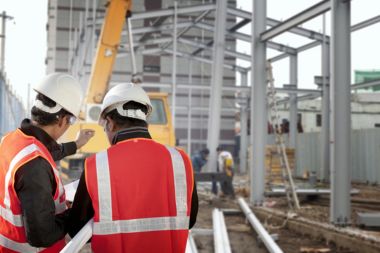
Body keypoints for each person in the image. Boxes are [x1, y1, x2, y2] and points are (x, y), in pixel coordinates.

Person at [68, 83, 198, 253]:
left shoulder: (96, 165)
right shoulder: (180, 160)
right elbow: (190, 220)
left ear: (110, 123)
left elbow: (76, 229)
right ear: (145, 120)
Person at [0, 73, 94, 252]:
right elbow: (42, 235)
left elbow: (44, 151)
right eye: (71, 121)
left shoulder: (12, 140)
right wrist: (72, 214)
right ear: (62, 119)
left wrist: (76, 144)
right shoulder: (34, 164)